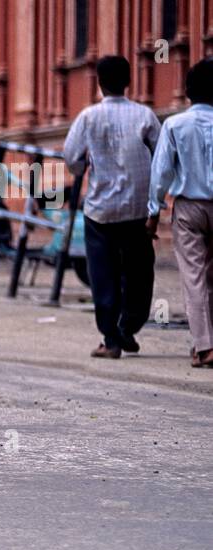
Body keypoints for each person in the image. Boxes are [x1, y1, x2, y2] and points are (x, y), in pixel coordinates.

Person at [63, 56, 161, 360]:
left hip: (100, 210)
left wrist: (83, 168)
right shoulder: (145, 115)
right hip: (137, 209)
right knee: (139, 272)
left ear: (99, 83)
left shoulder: (88, 117)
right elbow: (161, 157)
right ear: (129, 81)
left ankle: (111, 338)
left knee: (103, 274)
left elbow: (71, 158)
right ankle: (128, 328)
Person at [148, 57, 213, 369]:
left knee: (194, 277)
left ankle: (205, 347)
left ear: (188, 92)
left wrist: (152, 212)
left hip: (188, 208)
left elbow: (160, 174)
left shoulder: (174, 124)